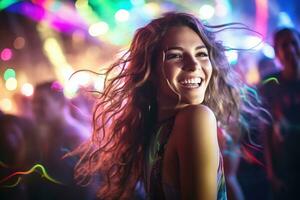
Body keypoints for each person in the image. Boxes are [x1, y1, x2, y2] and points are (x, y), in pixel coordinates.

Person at [74, 12, 262, 200]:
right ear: (150, 70)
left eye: (201, 54)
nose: (193, 65)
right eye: (175, 56)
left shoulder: (152, 131)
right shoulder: (196, 118)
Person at [260, 27, 300, 200]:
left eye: (294, 43)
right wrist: (271, 174)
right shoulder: (270, 86)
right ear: (277, 53)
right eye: (284, 45)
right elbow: (265, 131)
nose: (290, 49)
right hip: (285, 168)